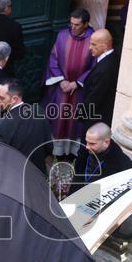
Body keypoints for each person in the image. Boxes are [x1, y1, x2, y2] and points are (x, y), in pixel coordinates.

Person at [43, 8, 95, 157]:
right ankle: (57, 151)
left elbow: (95, 65)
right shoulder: (62, 35)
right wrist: (61, 80)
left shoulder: (93, 38)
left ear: (86, 24)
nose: (72, 27)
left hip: (79, 90)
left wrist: (77, 83)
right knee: (59, 117)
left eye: (77, 24)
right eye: (71, 23)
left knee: (75, 120)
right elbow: (53, 58)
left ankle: (72, 151)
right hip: (62, 88)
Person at [0, 79, 52, 174]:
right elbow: (49, 147)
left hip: (16, 177)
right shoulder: (38, 111)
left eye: (1, 98)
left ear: (14, 99)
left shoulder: (1, 126)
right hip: (39, 173)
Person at [69, 123, 132, 194]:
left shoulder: (120, 163)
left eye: (92, 144)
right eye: (87, 142)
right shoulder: (85, 151)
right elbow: (78, 175)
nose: (87, 147)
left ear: (106, 142)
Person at [80, 29, 120, 129]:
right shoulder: (113, 58)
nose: (90, 48)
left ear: (105, 46)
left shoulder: (104, 69)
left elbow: (94, 98)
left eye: (94, 44)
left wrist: (81, 116)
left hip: (96, 121)